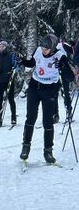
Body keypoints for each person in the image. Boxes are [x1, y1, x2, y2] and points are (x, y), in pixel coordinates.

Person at [18, 34, 74, 164]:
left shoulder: (60, 56)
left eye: (47, 49)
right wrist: (21, 60)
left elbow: (70, 77)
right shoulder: (38, 50)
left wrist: (63, 68)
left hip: (49, 90)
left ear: (53, 48)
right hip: (34, 87)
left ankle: (48, 151)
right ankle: (25, 147)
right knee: (30, 117)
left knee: (47, 121)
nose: (44, 50)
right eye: (43, 47)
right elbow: (31, 63)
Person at [0, 40, 20, 127]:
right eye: (0, 46)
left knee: (10, 99)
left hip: (8, 80)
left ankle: (13, 118)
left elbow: (16, 67)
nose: (1, 48)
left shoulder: (11, 56)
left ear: (6, 47)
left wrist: (14, 70)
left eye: (3, 46)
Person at [56, 38, 75, 123]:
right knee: (58, 93)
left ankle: (69, 112)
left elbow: (72, 51)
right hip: (55, 71)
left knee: (65, 92)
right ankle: (55, 114)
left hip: (63, 71)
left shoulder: (64, 45)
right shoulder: (53, 47)